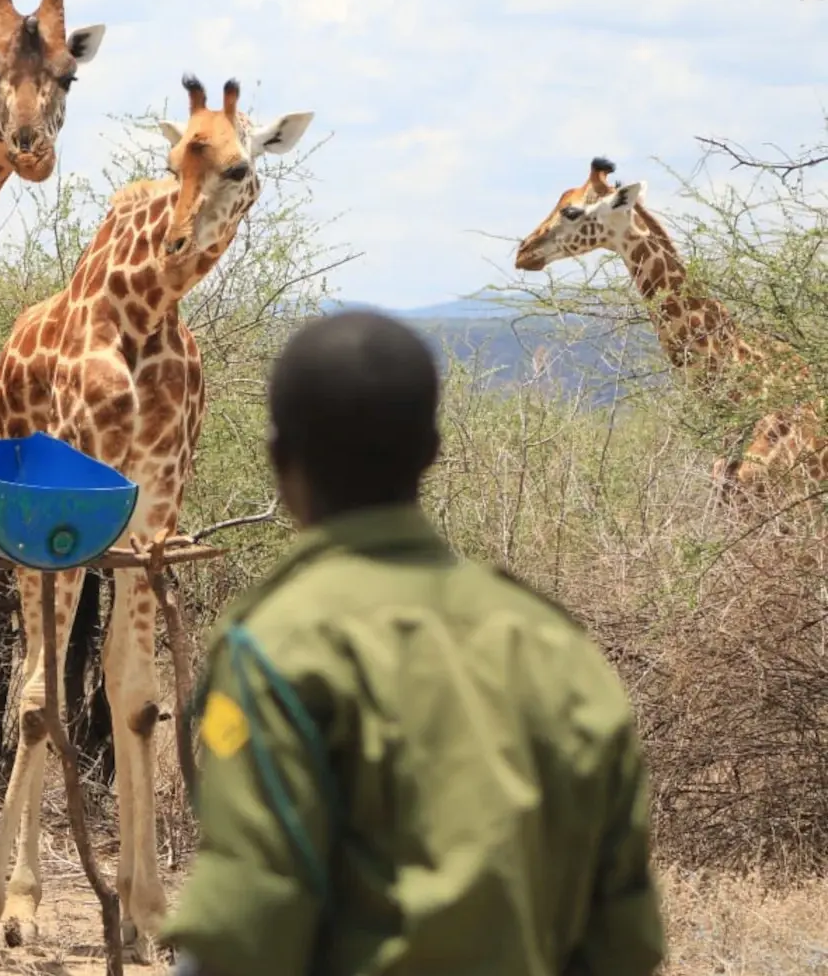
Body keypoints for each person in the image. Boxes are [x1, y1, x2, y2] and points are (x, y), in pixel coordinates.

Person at [158, 309, 665, 976]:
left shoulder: (275, 648)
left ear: (280, 459)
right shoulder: (556, 646)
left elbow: (247, 926)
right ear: (430, 451)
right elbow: (626, 938)